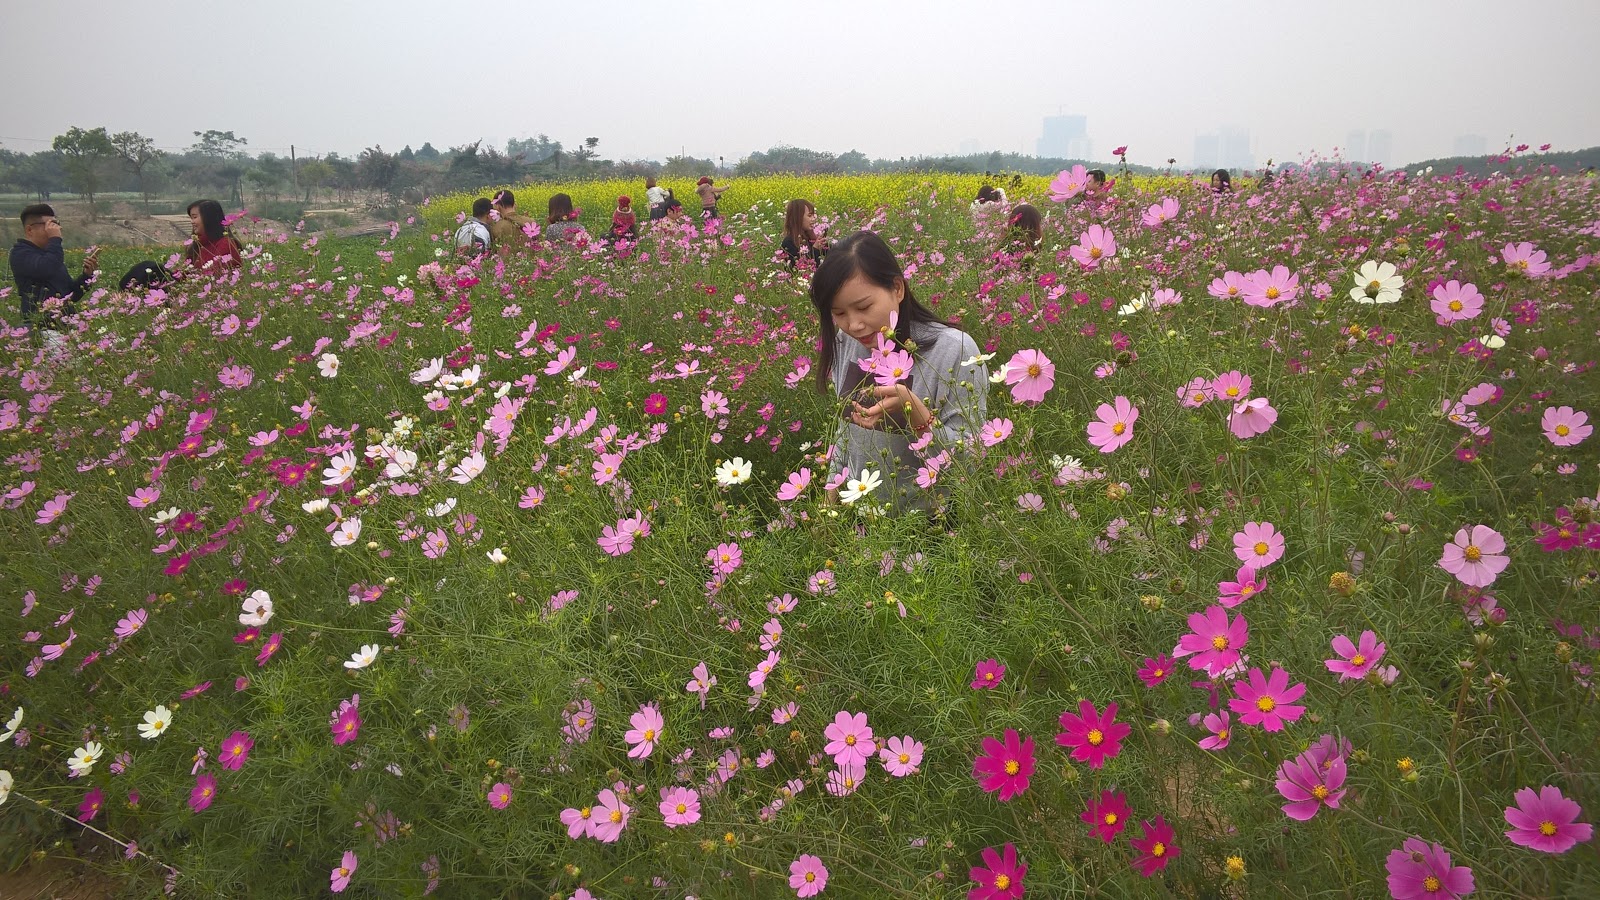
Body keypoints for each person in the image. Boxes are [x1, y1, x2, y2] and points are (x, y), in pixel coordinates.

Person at [812, 230, 988, 514]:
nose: (854, 325)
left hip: (932, 525)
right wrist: (830, 498)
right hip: (864, 517)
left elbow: (975, 461)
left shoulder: (954, 350)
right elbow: (847, 428)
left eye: (864, 307)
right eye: (840, 313)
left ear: (897, 288)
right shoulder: (847, 342)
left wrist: (921, 422)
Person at [10, 204, 98, 327]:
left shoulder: (51, 255)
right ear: (29, 230)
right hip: (41, 326)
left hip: (65, 325)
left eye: (56, 224)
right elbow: (46, 269)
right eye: (50, 225)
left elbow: (70, 296)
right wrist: (55, 239)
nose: (55, 229)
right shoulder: (21, 253)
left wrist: (86, 276)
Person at [184, 199, 244, 272]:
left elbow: (217, 275)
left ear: (209, 218)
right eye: (191, 218)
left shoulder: (225, 244)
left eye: (195, 217)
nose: (192, 222)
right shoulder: (197, 245)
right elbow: (186, 274)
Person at [779, 199, 827, 268]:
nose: (813, 219)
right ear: (798, 217)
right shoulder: (789, 242)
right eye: (809, 216)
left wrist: (826, 245)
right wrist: (815, 250)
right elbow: (800, 270)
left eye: (814, 215)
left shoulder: (810, 237)